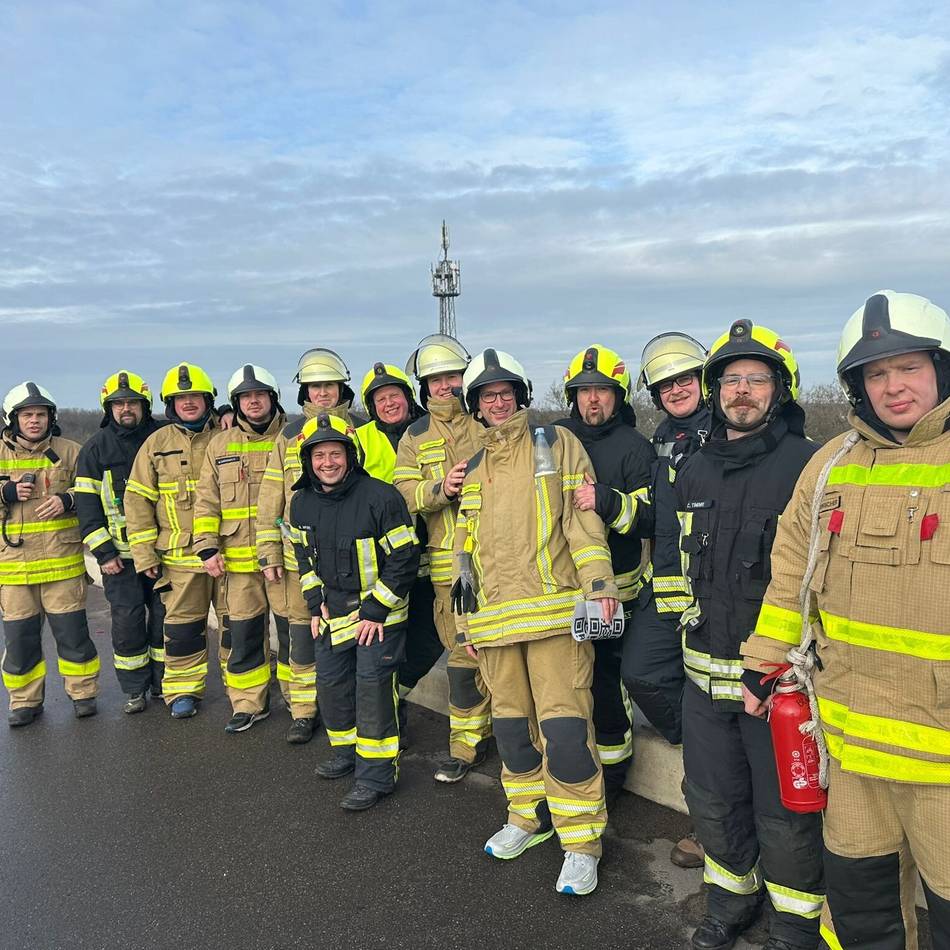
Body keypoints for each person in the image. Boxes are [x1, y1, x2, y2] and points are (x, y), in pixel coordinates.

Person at [741, 290, 950, 950]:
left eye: (909, 368)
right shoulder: (829, 466)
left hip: (943, 763)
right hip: (849, 748)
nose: (894, 387)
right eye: (876, 374)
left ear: (941, 370)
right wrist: (763, 664)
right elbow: (790, 578)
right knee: (861, 919)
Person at [675, 321, 824, 950]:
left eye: (756, 380)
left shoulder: (810, 466)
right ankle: (731, 899)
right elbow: (672, 563)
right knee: (712, 800)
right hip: (703, 679)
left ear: (780, 390)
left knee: (786, 811)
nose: (742, 391)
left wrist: (793, 669)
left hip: (778, 685)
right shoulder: (692, 467)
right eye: (731, 380)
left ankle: (794, 923)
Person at [452, 348, 619, 897]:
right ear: (476, 406)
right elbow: (463, 554)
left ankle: (580, 843)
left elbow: (582, 521)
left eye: (505, 393)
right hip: (496, 627)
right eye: (486, 396)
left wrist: (599, 589)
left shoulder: (557, 443)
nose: (497, 403)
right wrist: (464, 626)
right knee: (511, 732)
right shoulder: (473, 466)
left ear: (520, 396)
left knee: (565, 731)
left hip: (554, 619)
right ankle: (527, 818)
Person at [289, 413, 420, 810]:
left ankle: (377, 776)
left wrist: (376, 610)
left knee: (373, 693)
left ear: (351, 455)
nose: (328, 462)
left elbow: (405, 558)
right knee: (331, 688)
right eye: (319, 455)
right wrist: (315, 605)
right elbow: (304, 559)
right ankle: (347, 753)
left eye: (335, 453)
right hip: (332, 616)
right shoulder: (301, 502)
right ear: (307, 461)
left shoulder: (381, 497)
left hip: (378, 618)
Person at [555, 344, 655, 803]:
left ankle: (613, 780)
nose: (592, 400)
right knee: (565, 686)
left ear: (619, 395)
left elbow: (650, 519)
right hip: (561, 589)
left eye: (602, 391)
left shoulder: (635, 448)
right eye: (583, 392)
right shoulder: (553, 441)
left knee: (607, 686)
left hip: (618, 593)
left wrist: (608, 501)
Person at [627, 331, 710, 869]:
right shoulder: (665, 437)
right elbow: (657, 515)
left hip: (720, 594)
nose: (676, 389)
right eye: (665, 385)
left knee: (719, 709)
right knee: (641, 671)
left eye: (684, 379)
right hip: (667, 588)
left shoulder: (726, 434)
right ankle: (691, 739)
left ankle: (709, 826)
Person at [395, 334, 492, 782]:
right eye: (435, 380)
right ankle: (467, 744)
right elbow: (403, 495)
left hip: (499, 559)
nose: (445, 386)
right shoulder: (414, 437)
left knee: (505, 656)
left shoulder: (487, 420)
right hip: (447, 569)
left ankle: (517, 742)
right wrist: (440, 489)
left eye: (452, 376)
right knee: (461, 659)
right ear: (424, 386)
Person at [255, 348, 362, 744]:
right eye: (315, 387)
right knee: (301, 639)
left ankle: (351, 712)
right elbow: (270, 497)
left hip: (353, 564)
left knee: (352, 642)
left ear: (341, 389)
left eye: (329, 386)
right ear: (305, 391)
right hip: (298, 560)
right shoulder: (288, 436)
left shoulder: (362, 430)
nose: (322, 394)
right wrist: (268, 553)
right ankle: (303, 712)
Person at [124, 363, 222, 719]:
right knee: (182, 631)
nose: (189, 403)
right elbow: (136, 500)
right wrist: (143, 553)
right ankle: (182, 691)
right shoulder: (156, 443)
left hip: (228, 554)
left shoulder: (227, 436)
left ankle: (244, 694)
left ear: (208, 399)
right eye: (181, 398)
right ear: (170, 404)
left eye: (194, 396)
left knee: (237, 629)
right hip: (179, 559)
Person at [194, 365, 288, 733]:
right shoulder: (220, 444)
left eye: (260, 395)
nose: (253, 401)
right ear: (236, 403)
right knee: (245, 635)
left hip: (284, 560)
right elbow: (206, 501)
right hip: (237, 562)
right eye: (246, 397)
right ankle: (248, 704)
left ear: (272, 398)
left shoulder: (292, 437)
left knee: (293, 634)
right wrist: (206, 547)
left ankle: (302, 707)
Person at [0, 382, 99, 724]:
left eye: (41, 414)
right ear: (12, 419)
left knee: (73, 636)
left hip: (62, 564)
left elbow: (93, 492)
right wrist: (6, 492)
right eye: (26, 415)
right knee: (20, 640)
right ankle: (25, 702)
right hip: (14, 569)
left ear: (51, 417)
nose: (34, 421)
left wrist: (68, 499)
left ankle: (83, 693)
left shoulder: (71, 451)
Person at [356, 362, 444, 741]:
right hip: (384, 564)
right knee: (386, 645)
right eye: (380, 399)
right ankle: (387, 717)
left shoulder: (429, 431)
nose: (389, 403)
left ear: (408, 397)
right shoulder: (358, 438)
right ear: (371, 405)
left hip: (431, 555)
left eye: (394, 395)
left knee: (429, 642)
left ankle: (391, 699)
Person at [75, 371, 165, 713]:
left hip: (162, 552)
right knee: (127, 623)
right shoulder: (95, 449)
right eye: (119, 403)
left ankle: (162, 683)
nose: (126, 409)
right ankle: (134, 688)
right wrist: (104, 552)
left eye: (132, 403)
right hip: (120, 559)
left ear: (145, 406)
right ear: (108, 407)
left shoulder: (160, 438)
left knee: (163, 620)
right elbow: (87, 505)